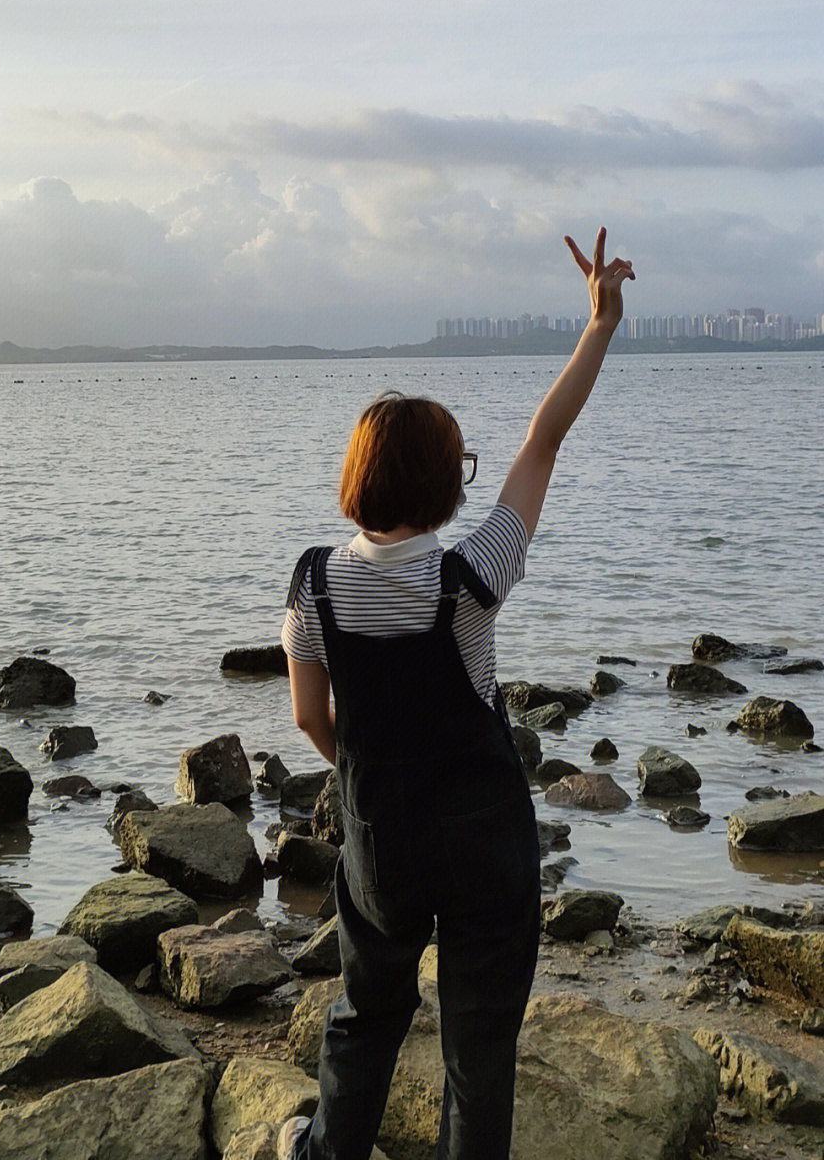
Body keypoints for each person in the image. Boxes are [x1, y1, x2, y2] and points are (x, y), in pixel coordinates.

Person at [277, 228, 635, 1160]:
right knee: (481, 1048)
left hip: (383, 840)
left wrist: (364, 765)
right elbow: (544, 441)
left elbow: (311, 718)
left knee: (366, 1017)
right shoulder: (472, 578)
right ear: (444, 488)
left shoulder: (313, 584)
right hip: (484, 843)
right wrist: (598, 324)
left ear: (360, 478)